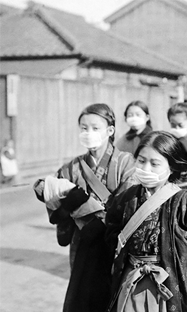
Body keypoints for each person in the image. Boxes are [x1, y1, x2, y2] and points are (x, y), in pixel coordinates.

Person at [105, 130, 187, 312]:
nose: (145, 169)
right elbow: (111, 230)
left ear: (171, 166)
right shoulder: (126, 198)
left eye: (154, 163)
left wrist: (183, 254)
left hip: (171, 283)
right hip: (131, 280)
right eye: (141, 161)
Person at [33, 103, 135, 312]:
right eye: (84, 128)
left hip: (115, 241)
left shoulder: (126, 162)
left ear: (110, 131)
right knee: (83, 297)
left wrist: (87, 207)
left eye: (95, 128)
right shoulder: (71, 167)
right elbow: (56, 201)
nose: (88, 133)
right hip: (82, 242)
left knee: (115, 295)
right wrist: (53, 193)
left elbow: (130, 202)